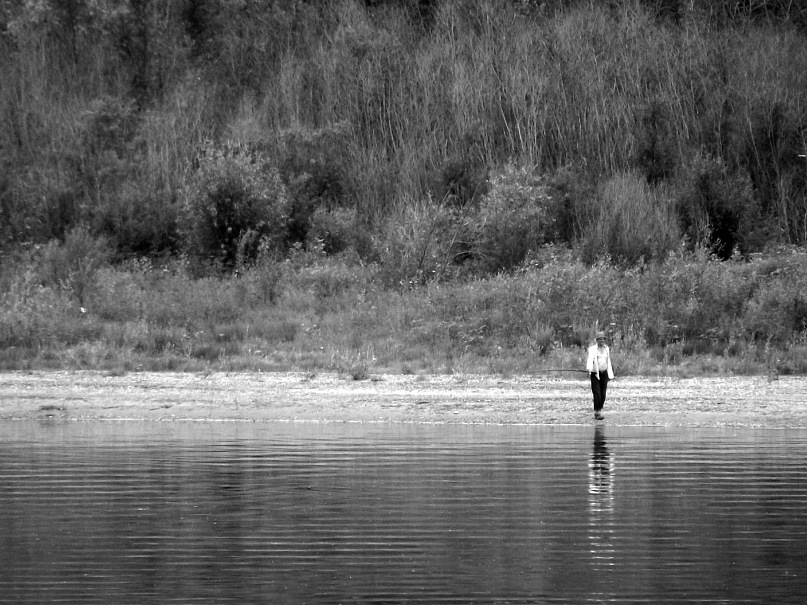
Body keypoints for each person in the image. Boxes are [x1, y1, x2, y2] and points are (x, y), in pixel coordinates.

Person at [586, 331, 614, 420]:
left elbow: (608, 361)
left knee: (603, 394)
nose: (601, 341)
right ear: (596, 340)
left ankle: (599, 408)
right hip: (595, 374)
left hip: (604, 373)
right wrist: (589, 369)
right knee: (597, 393)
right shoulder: (592, 349)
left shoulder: (607, 349)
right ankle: (597, 412)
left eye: (603, 339)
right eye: (599, 339)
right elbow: (590, 360)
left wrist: (610, 375)